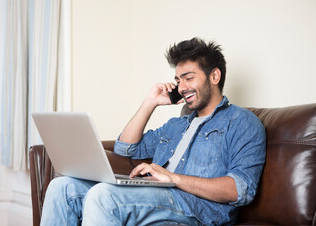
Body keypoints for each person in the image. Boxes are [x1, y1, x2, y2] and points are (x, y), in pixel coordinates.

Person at [40, 37, 266, 225]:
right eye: (178, 80)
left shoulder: (242, 122)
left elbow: (241, 189)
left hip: (197, 210)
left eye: (189, 78)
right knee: (63, 187)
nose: (182, 87)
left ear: (214, 76)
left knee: (103, 196)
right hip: (155, 196)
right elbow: (125, 148)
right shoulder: (177, 125)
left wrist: (173, 178)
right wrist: (150, 102)